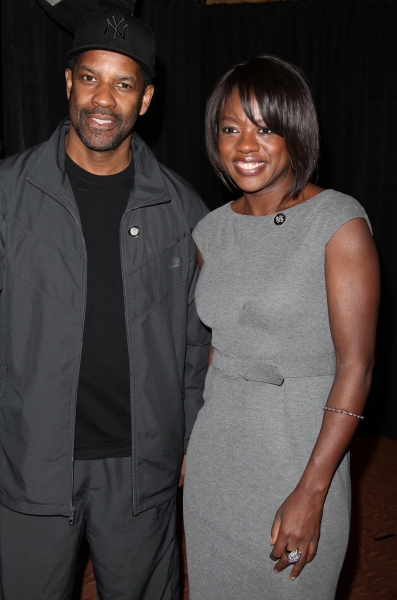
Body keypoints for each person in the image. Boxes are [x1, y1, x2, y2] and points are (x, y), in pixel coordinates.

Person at [0, 8, 210, 600]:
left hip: (141, 469)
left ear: (145, 99)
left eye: (123, 84)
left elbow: (197, 347)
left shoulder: (182, 210)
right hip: (29, 462)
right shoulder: (8, 197)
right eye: (90, 78)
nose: (103, 99)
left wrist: (192, 441)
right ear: (68, 83)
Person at [183, 55, 380, 600]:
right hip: (217, 460)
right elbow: (211, 351)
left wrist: (313, 490)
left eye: (265, 128)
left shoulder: (337, 223)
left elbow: (356, 367)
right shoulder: (209, 231)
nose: (246, 145)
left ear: (296, 132)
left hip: (299, 453)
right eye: (231, 128)